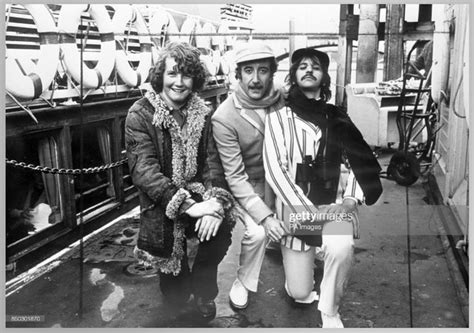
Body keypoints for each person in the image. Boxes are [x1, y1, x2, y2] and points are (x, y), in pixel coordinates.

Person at [263, 47, 382, 328]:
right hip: (297, 212)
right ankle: (308, 259)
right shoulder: (277, 119)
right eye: (302, 66)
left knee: (341, 248)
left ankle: (329, 310)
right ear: (293, 75)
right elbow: (275, 171)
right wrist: (310, 214)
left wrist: (350, 201)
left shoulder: (337, 117)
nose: (308, 70)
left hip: (332, 207)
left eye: (315, 66)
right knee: (300, 292)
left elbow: (359, 161)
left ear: (324, 77)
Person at [125, 42, 237, 320]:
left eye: (186, 75)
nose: (179, 82)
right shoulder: (140, 114)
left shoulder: (203, 113)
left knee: (219, 230)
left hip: (198, 192)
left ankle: (204, 291)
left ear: (195, 79)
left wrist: (214, 203)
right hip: (161, 201)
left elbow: (213, 163)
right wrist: (188, 206)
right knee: (174, 294)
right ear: (161, 75)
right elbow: (144, 172)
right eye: (172, 74)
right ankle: (178, 286)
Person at [211, 42, 287, 310]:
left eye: (263, 70)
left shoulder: (284, 99)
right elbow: (235, 176)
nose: (255, 79)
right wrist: (265, 217)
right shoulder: (224, 117)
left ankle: (304, 259)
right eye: (248, 71)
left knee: (312, 218)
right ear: (238, 75)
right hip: (249, 186)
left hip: (284, 182)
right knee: (256, 233)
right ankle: (243, 280)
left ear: (272, 73)